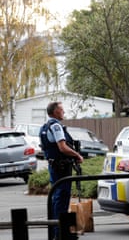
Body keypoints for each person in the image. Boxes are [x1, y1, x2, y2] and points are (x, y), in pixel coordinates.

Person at [41, 102, 83, 240]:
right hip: (61, 167)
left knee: (56, 198)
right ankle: (61, 233)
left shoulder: (44, 127)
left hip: (54, 166)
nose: (63, 111)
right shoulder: (56, 126)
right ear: (55, 112)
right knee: (61, 198)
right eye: (61, 109)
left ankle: (56, 231)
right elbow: (62, 147)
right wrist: (77, 155)